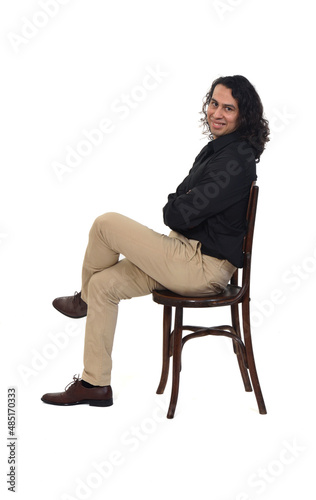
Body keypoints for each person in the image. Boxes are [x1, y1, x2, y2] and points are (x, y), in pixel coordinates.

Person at [41, 75, 270, 407]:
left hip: (201, 268)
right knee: (104, 284)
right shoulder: (216, 150)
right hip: (184, 256)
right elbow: (179, 200)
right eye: (214, 103)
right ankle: (95, 384)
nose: (217, 113)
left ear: (243, 115)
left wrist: (180, 205)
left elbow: (177, 214)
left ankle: (83, 300)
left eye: (229, 108)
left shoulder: (235, 160)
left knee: (106, 224)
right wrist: (181, 204)